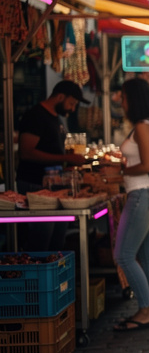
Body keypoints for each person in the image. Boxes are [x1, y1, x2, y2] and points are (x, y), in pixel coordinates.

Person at [112, 79, 149, 332]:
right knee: (145, 255)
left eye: (123, 97)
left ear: (133, 99)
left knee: (123, 254)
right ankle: (148, 307)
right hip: (148, 194)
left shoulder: (144, 127)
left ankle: (146, 310)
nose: (121, 102)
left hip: (142, 194)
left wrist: (121, 168)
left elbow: (146, 165)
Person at [16, 80, 89, 251]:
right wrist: (65, 158)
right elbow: (26, 152)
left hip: (54, 186)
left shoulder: (56, 119)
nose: (72, 109)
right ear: (60, 96)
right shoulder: (36, 116)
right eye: (71, 103)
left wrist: (66, 162)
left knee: (57, 242)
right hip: (35, 185)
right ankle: (38, 274)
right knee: (42, 241)